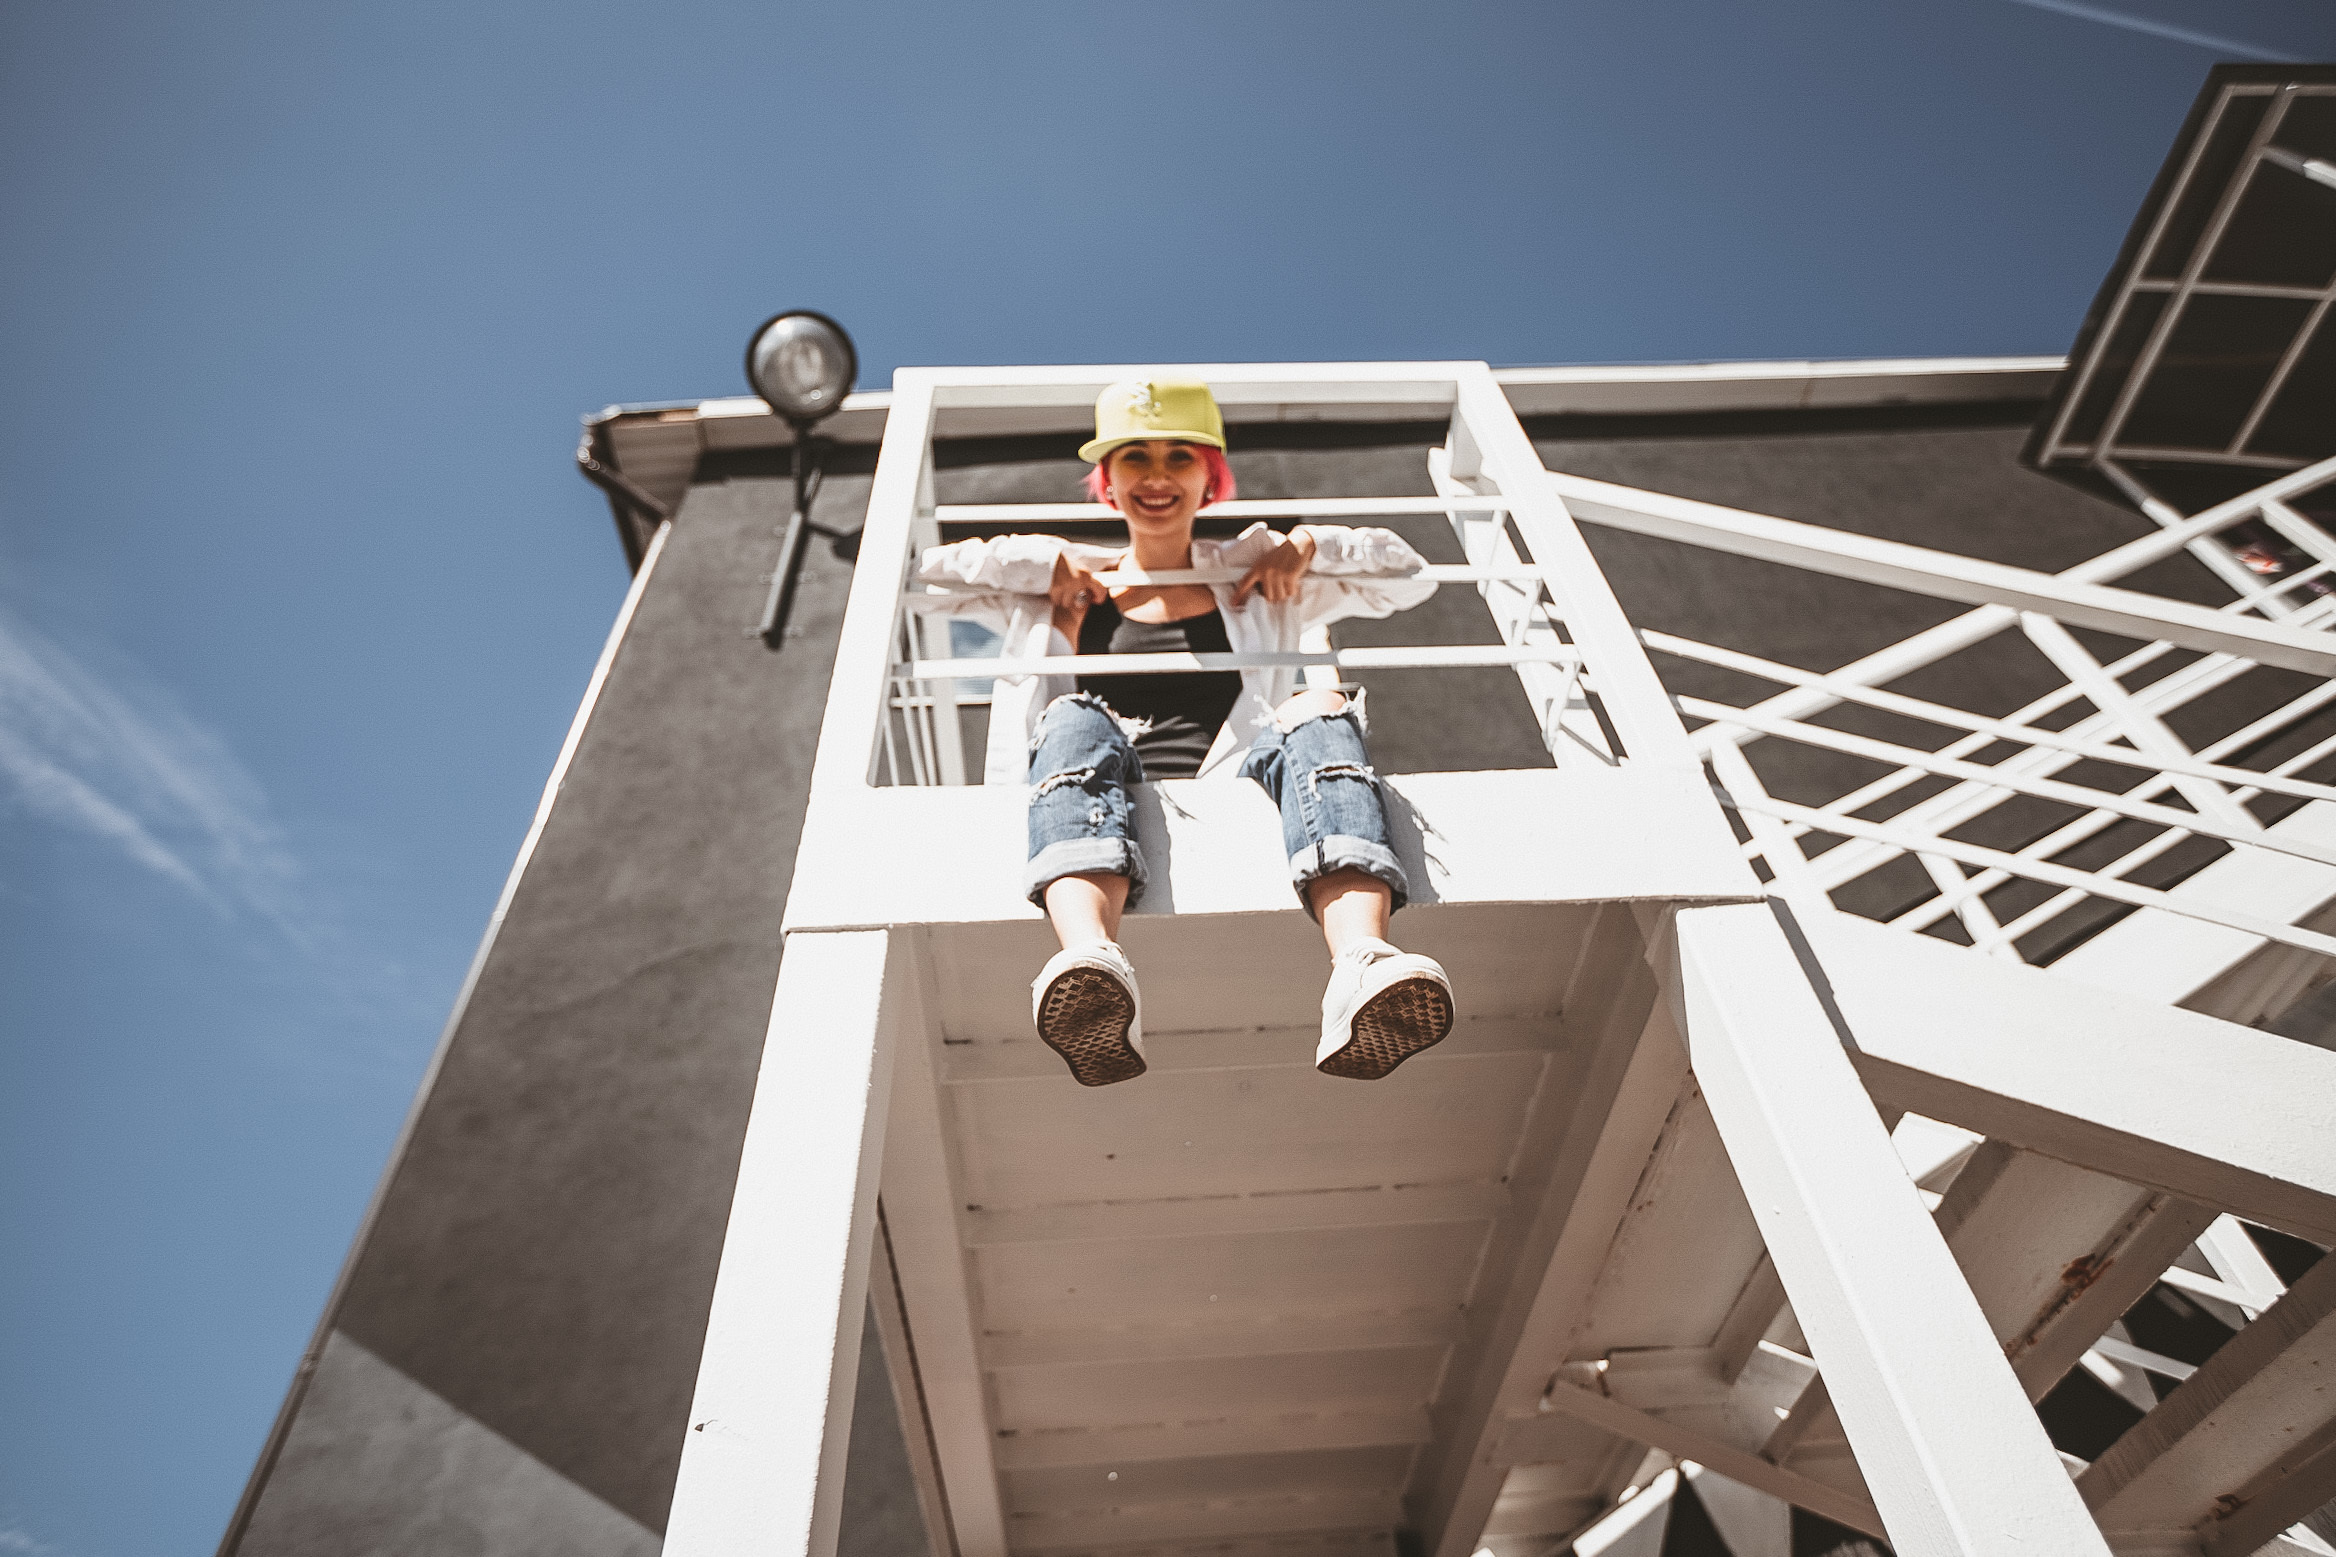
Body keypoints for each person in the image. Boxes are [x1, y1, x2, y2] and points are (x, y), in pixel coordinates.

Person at [916, 379, 1456, 1086]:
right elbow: (929, 577)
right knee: (1076, 715)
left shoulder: (1255, 572)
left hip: (1231, 781)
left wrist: (1309, 543)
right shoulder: (1068, 586)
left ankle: (1362, 963)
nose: (1159, 476)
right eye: (1135, 457)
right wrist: (1044, 560)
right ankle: (1092, 964)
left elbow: (1408, 572)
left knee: (1319, 707)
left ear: (1211, 476)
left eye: (1181, 457)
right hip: (1099, 796)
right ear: (1107, 480)